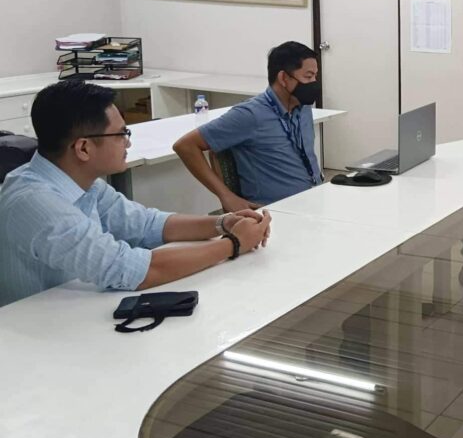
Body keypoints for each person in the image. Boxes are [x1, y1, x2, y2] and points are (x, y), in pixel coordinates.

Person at [0, 81, 271, 308]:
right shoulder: (34, 202)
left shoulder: (82, 181)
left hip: (75, 314)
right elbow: (131, 270)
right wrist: (233, 244)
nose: (128, 142)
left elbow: (146, 224)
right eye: (121, 134)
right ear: (83, 148)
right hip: (34, 336)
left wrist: (223, 223)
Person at [174, 41, 323, 210]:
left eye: (315, 76)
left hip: (312, 200)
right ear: (283, 78)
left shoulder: (302, 108)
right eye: (308, 77)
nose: (314, 82)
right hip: (276, 211)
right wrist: (226, 196)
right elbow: (185, 146)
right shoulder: (250, 115)